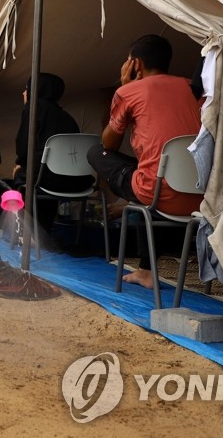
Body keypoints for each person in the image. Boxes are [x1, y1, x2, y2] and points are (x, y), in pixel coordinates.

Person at [87, 34, 201, 290]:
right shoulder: (194, 88)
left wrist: (123, 87)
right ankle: (146, 270)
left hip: (157, 192)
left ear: (135, 64)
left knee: (95, 152)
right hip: (199, 196)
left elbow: (109, 145)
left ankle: (146, 270)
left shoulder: (129, 91)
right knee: (147, 171)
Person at [11, 73, 82, 231]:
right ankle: (44, 232)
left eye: (27, 88)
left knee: (24, 175)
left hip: (46, 179)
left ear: (36, 90)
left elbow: (23, 149)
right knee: (40, 172)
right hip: (76, 182)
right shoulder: (68, 118)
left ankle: (27, 233)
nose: (23, 93)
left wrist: (19, 164)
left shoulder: (33, 107)